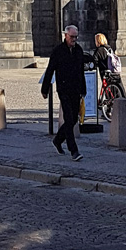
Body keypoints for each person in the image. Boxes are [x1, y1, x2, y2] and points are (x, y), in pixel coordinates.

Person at [41, 25, 86, 161]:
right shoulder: (58, 51)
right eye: (72, 37)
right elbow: (50, 70)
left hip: (75, 90)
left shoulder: (78, 50)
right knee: (68, 116)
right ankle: (74, 150)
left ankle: (58, 140)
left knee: (72, 120)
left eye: (76, 37)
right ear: (65, 35)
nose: (74, 39)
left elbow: (80, 71)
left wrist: (83, 89)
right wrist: (45, 89)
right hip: (64, 89)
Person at [92, 33, 126, 98]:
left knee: (107, 89)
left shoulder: (98, 50)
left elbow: (95, 61)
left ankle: (109, 100)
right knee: (115, 87)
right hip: (113, 71)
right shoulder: (109, 48)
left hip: (104, 72)